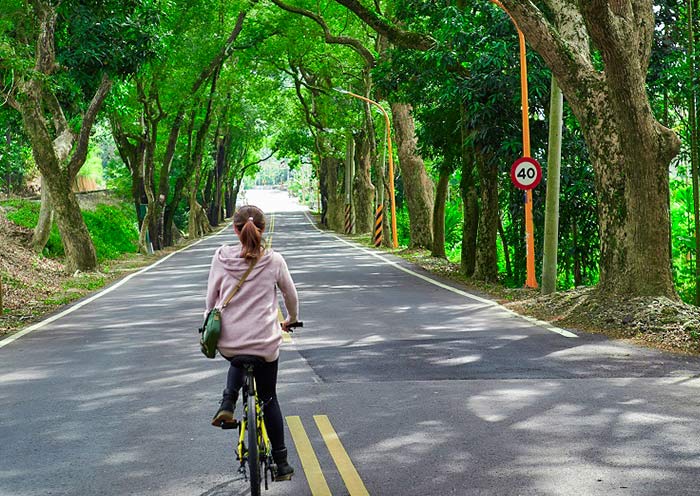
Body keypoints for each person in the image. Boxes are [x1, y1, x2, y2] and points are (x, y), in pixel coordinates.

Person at [204, 205, 298, 481]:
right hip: (265, 343)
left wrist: (208, 321)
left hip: (230, 342)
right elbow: (290, 296)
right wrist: (291, 319)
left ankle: (228, 401)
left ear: (234, 229)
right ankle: (281, 464)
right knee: (269, 398)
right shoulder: (274, 260)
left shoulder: (220, 257)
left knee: (237, 355)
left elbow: (211, 300)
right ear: (263, 229)